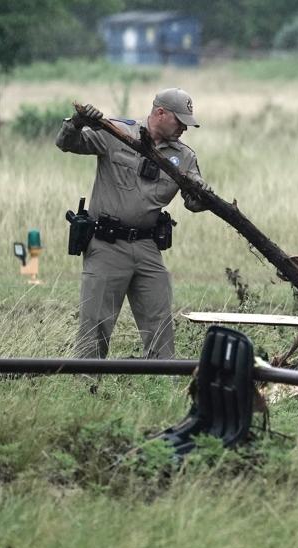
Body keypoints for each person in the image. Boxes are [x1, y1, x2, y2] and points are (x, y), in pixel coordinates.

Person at [55, 88, 210, 359]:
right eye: (180, 121)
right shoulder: (117, 133)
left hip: (148, 248)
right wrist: (77, 121)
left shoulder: (184, 157)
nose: (185, 128)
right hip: (106, 244)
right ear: (160, 113)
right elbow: (67, 143)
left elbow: (194, 204)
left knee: (160, 328)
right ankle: (86, 389)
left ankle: (163, 391)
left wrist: (201, 194)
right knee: (95, 328)